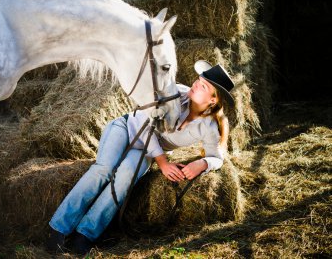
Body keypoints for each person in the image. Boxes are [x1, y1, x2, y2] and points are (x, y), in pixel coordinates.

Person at [46, 60, 235, 255]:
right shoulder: (175, 93)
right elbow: (143, 121)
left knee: (124, 179)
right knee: (104, 169)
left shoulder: (210, 127)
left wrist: (202, 163)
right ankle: (59, 228)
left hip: (146, 151)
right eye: (198, 80)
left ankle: (85, 234)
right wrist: (162, 162)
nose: (195, 84)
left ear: (213, 100)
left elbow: (217, 157)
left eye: (203, 86)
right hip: (127, 129)